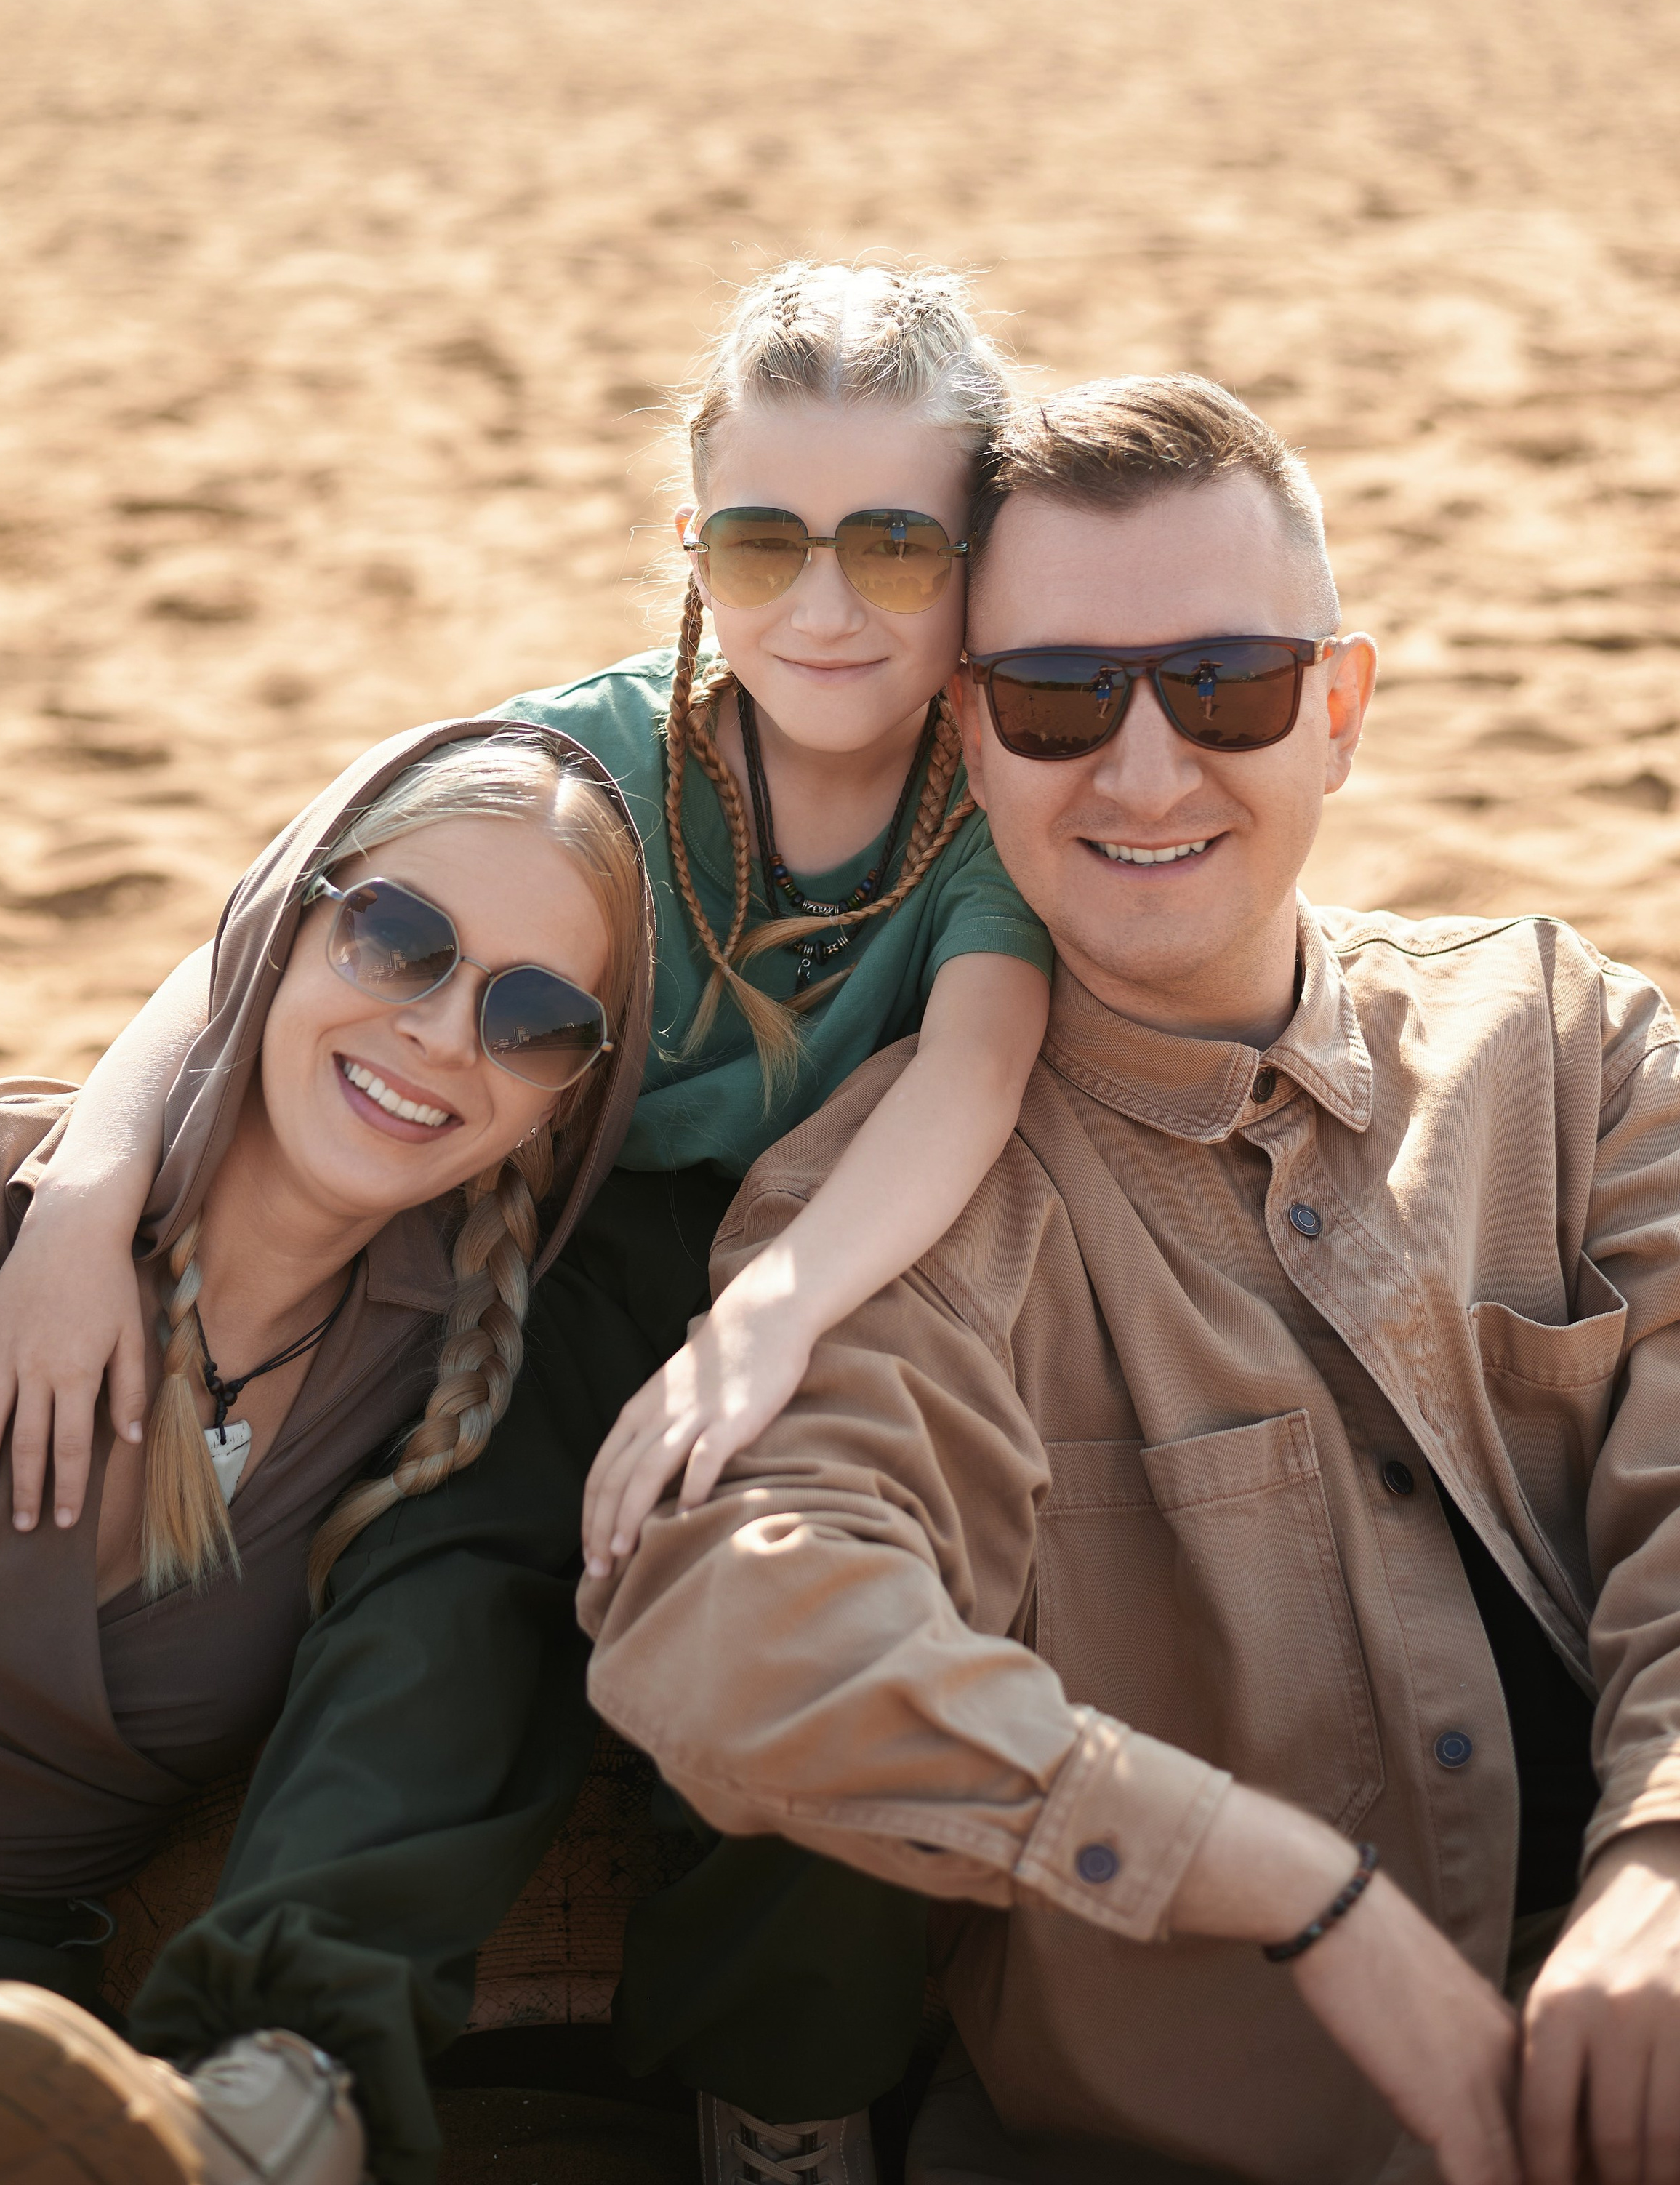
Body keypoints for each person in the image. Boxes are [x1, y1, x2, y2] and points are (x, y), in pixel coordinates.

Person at [0, 265, 1057, 2185]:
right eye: (769, 541)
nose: (831, 605)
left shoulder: (982, 808)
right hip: (580, 1235)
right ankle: (283, 2076)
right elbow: (251, 950)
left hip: (861, 1252)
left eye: (897, 544)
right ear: (695, 542)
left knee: (824, 1569)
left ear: (974, 557)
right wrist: (88, 1186)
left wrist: (772, 1316)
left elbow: (974, 1068)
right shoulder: (590, 758)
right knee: (454, 1562)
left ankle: (786, 2089)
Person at [580, 374, 1680, 2185]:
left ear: (1335, 710)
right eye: (1056, 696)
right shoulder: (902, 1208)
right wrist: (1292, 1891)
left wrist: (1657, 1859)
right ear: (966, 738)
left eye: (1226, 685)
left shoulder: (1565, 1047)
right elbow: (731, 1623)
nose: (1145, 768)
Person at [0, 718, 654, 2185]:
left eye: (532, 1021)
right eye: (397, 938)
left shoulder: (449, 1397)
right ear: (285, 924)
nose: (442, 1034)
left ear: (565, 1093)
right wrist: (82, 1207)